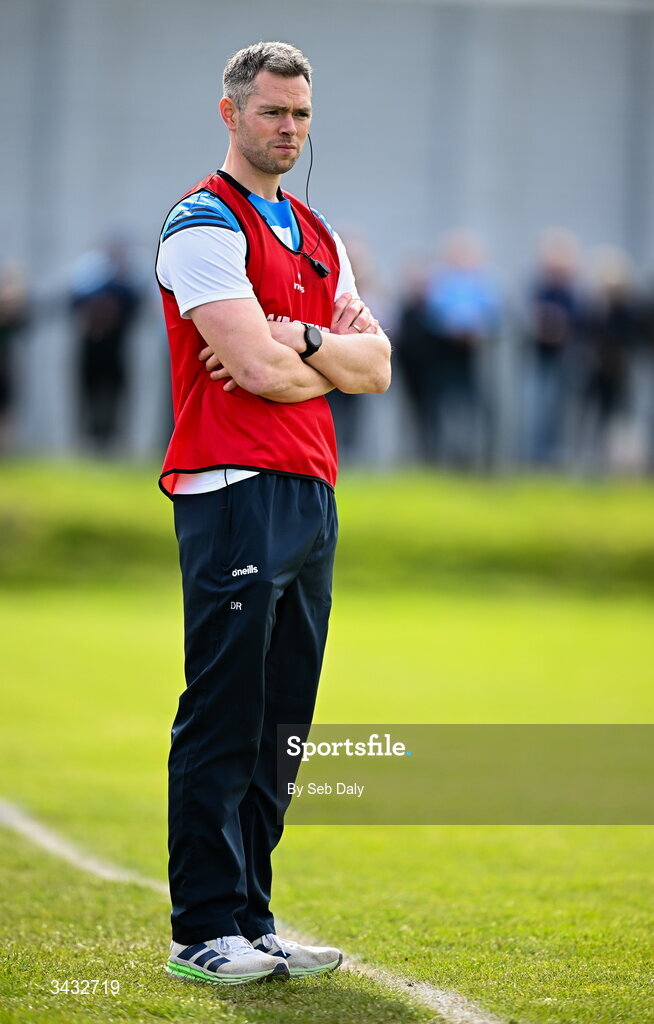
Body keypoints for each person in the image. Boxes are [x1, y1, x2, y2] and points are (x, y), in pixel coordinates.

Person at [155, 41, 391, 987]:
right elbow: (249, 371)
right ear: (230, 114)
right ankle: (201, 929)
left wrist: (297, 336)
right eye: (270, 113)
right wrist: (318, 359)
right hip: (231, 486)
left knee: (283, 722)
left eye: (299, 115)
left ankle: (250, 916)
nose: (287, 129)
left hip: (311, 491)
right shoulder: (201, 224)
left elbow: (375, 370)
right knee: (225, 712)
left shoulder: (318, 235)